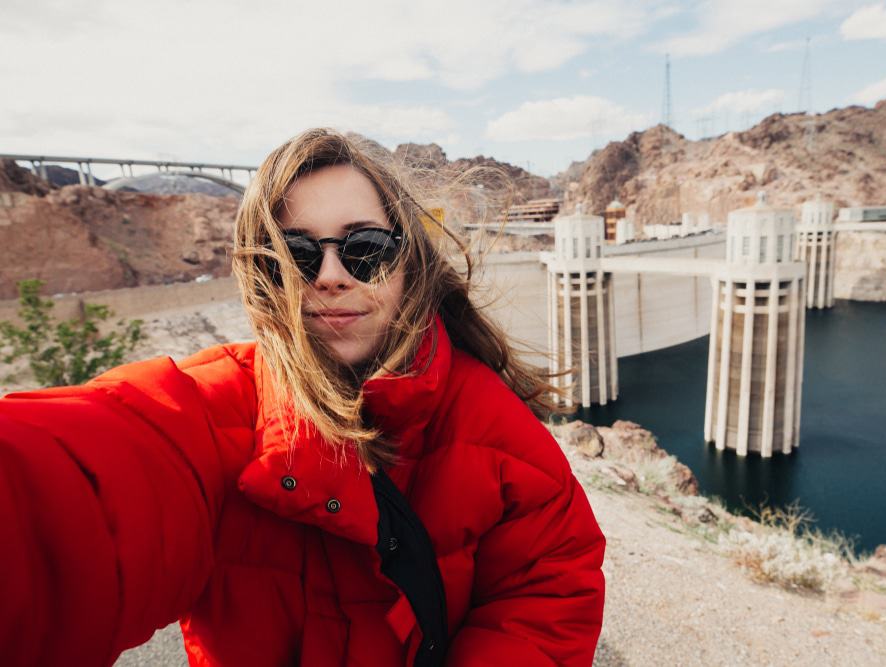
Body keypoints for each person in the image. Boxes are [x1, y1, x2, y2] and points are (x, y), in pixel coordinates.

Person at [0, 128, 605, 666]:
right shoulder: (214, 412)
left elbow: (547, 593)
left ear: (408, 263)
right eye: (296, 253)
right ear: (264, 273)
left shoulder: (494, 429)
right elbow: (70, 489)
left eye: (365, 247)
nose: (330, 276)